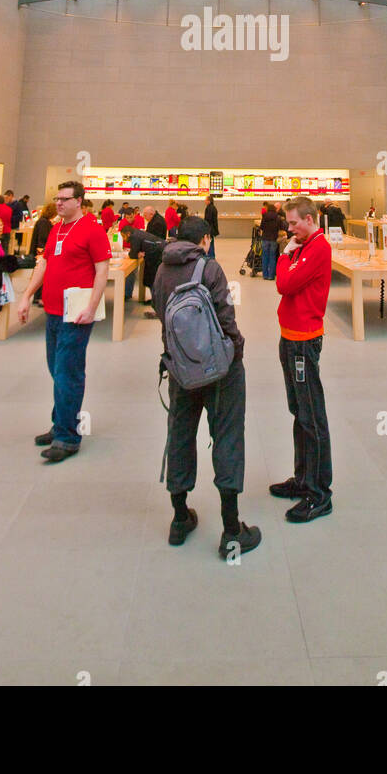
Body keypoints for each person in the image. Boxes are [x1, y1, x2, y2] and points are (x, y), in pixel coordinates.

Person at [153, 215, 260, 558]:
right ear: (202, 241)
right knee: (227, 435)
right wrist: (236, 353)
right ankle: (231, 530)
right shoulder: (209, 268)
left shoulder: (161, 270)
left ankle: (179, 517)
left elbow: (161, 314)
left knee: (180, 434)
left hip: (180, 368)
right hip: (218, 370)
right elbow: (227, 320)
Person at [15, 182, 111, 463]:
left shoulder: (92, 229)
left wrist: (92, 307)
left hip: (77, 314)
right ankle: (61, 423)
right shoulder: (57, 228)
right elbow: (43, 263)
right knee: (56, 369)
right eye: (57, 199)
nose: (58, 203)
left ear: (79, 201)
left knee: (68, 372)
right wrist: (27, 296)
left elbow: (102, 269)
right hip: (53, 311)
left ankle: (68, 436)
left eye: (65, 199)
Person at [272, 196, 333, 523]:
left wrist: (285, 257)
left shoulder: (318, 248)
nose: (289, 228)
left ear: (310, 220)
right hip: (290, 337)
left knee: (312, 415)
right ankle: (303, 478)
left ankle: (320, 492)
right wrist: (291, 252)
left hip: (304, 342)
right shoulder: (302, 245)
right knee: (299, 410)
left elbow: (285, 283)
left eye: (294, 223)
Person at [29, 201, 57, 307]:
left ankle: (38, 297)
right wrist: (43, 256)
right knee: (42, 275)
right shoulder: (44, 223)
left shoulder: (43, 221)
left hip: (39, 252)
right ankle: (40, 297)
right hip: (41, 253)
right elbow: (42, 240)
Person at [260, 201, 283, 280]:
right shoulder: (278, 217)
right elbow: (281, 227)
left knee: (265, 256)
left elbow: (261, 227)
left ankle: (265, 275)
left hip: (265, 238)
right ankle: (271, 275)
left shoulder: (264, 216)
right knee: (272, 257)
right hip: (273, 239)